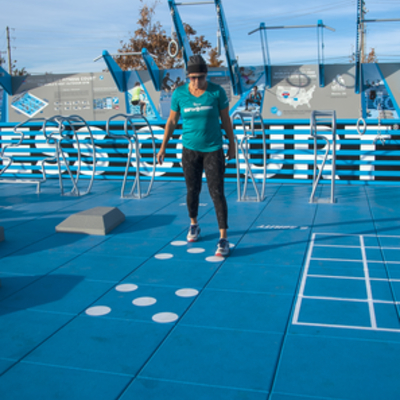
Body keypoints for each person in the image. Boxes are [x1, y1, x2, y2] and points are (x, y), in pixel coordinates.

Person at [157, 55, 235, 257]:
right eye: (192, 77)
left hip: (213, 149)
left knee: (217, 192)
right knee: (192, 190)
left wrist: (232, 144)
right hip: (190, 150)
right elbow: (172, 121)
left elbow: (226, 120)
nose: (196, 81)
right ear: (187, 77)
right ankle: (194, 224)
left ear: (206, 75)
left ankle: (223, 238)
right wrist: (163, 146)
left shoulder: (216, 92)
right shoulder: (179, 93)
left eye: (200, 77)